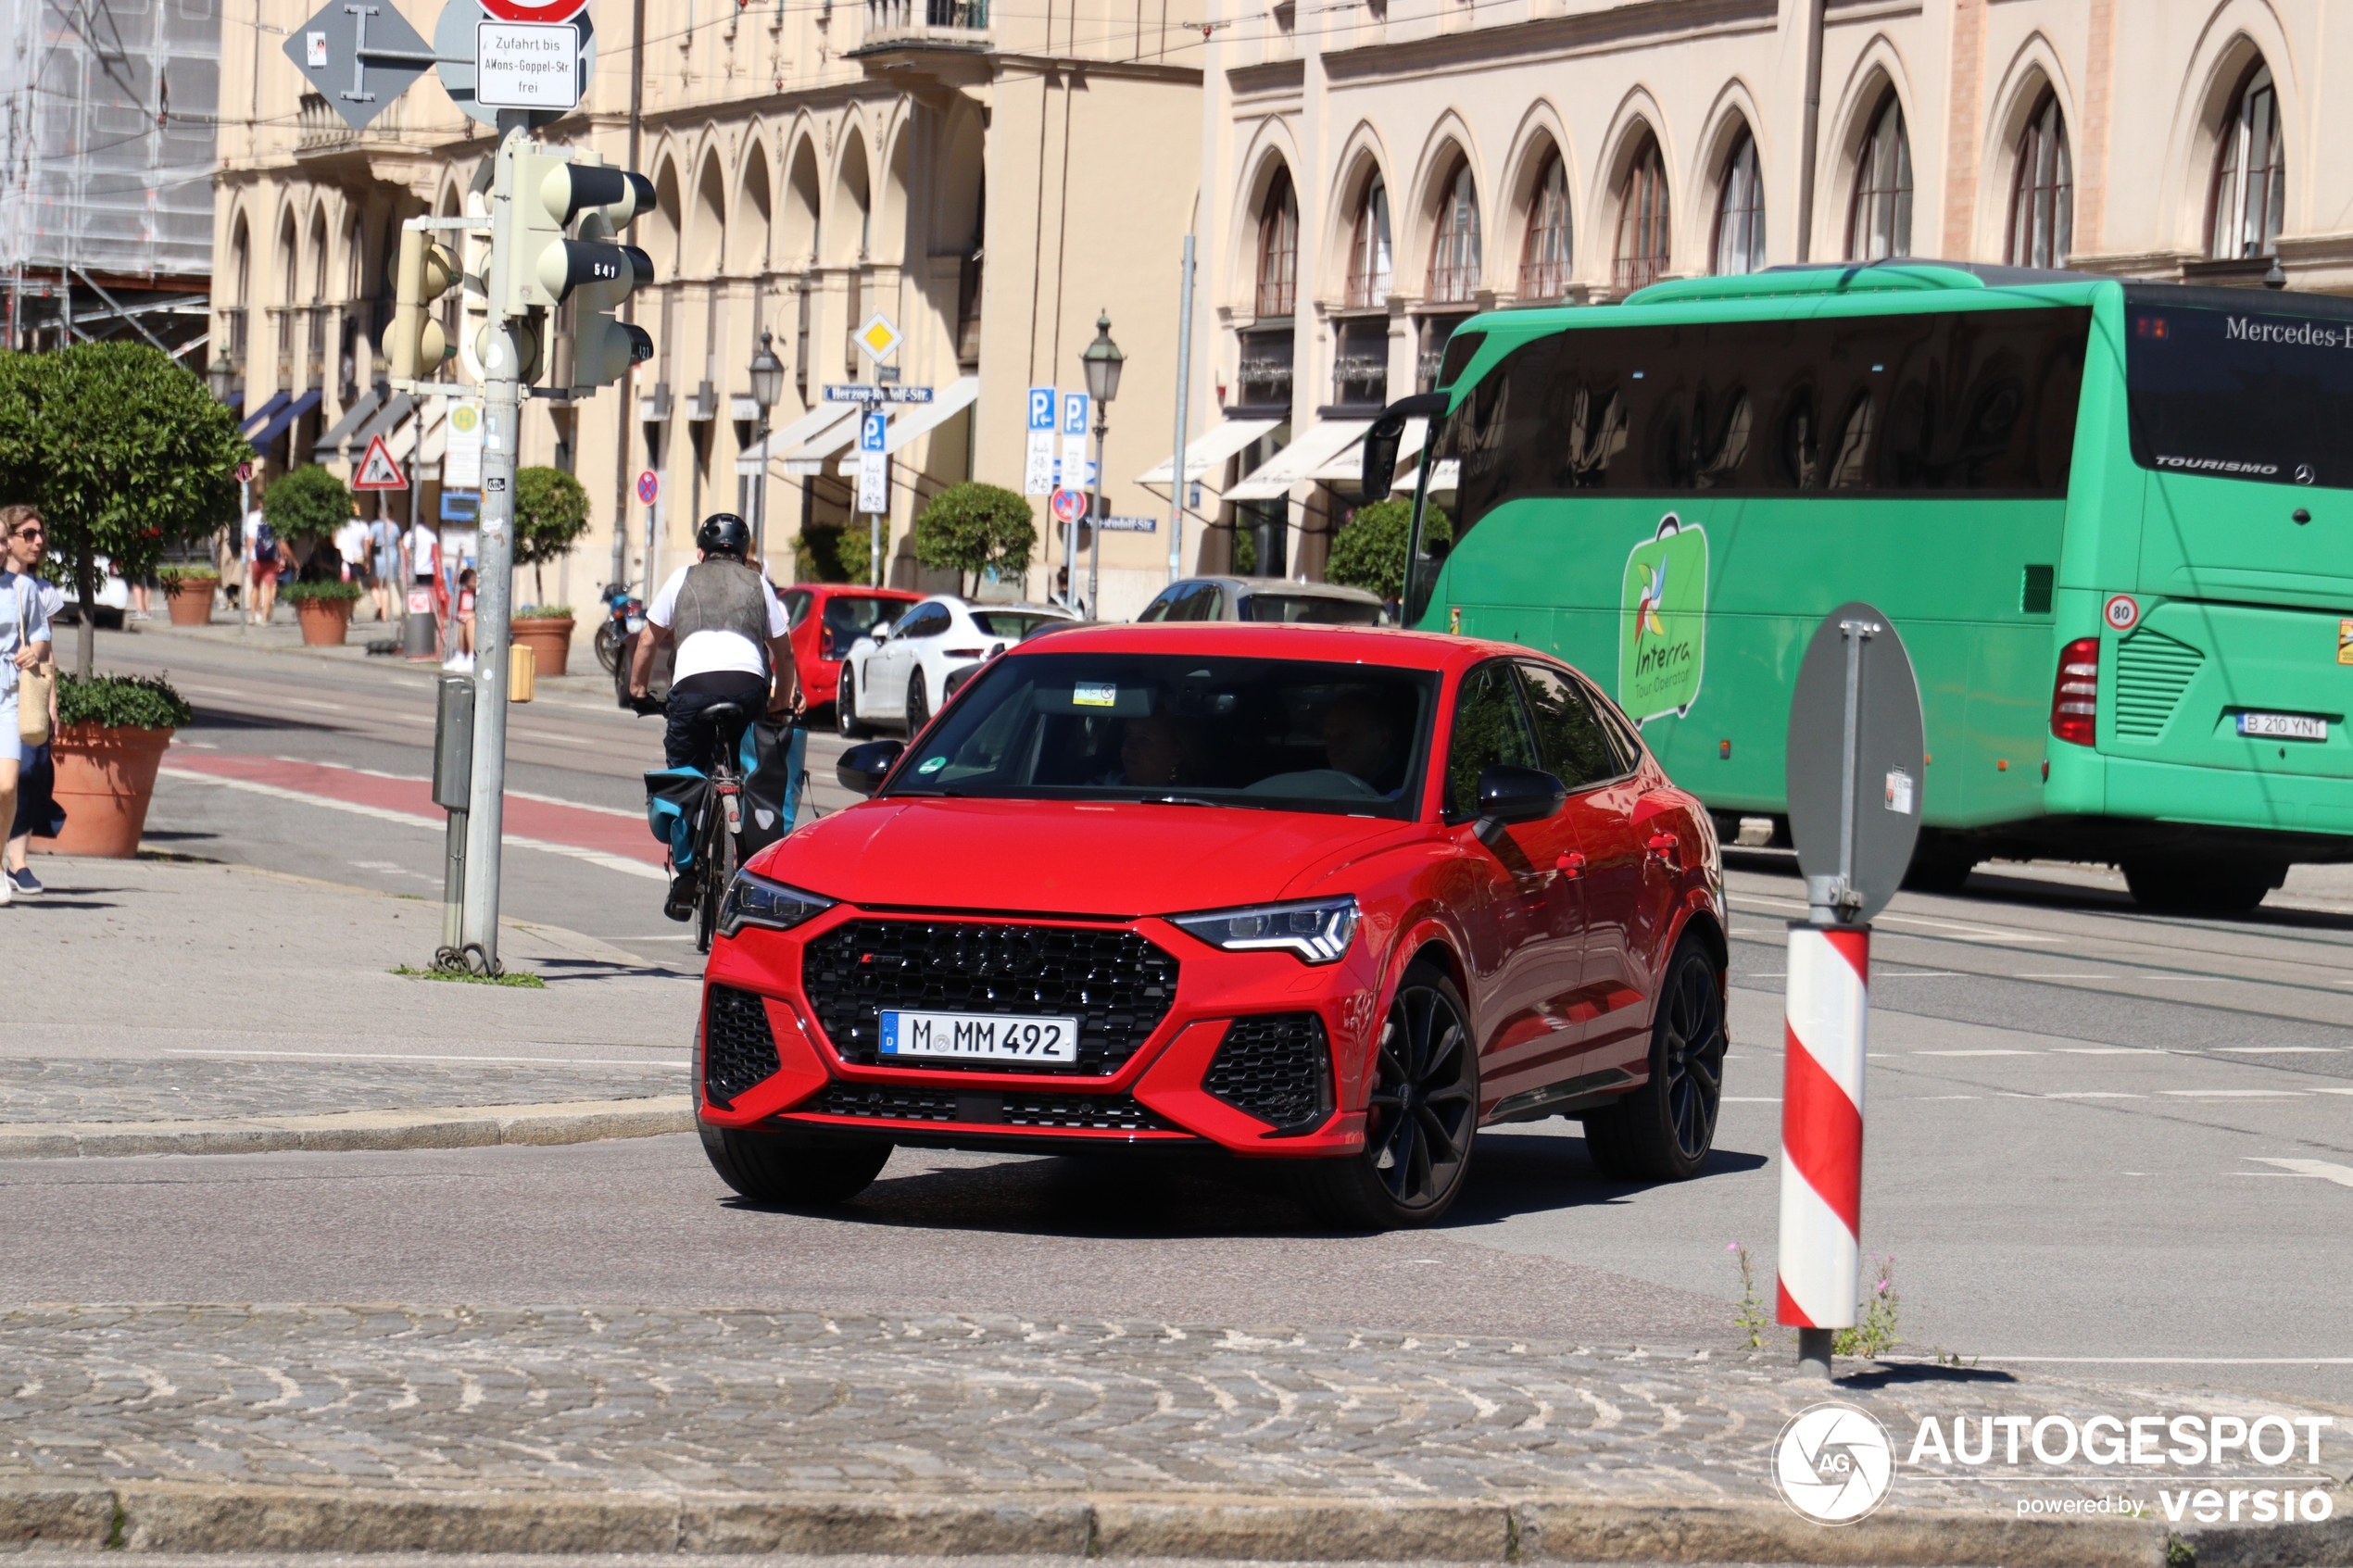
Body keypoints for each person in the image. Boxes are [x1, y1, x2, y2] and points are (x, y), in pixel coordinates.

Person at [631, 512, 800, 920]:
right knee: (752, 770)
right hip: (747, 689)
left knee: (684, 778)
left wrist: (638, 690)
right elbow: (784, 654)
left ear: (700, 552)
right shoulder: (760, 584)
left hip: (692, 690)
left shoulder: (681, 578)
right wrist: (781, 701)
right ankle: (752, 861)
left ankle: (686, 873)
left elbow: (648, 640)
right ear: (744, 555)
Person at [1, 507, 61, 897]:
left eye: (0, 539)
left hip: (8, 697)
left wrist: (31, 652)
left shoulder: (23, 589)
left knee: (7, 787)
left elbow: (42, 638)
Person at [249, 512, 290, 625]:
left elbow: (250, 541)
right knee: (268, 588)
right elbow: (280, 543)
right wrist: (282, 558)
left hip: (256, 559)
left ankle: (252, 616)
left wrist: (248, 560)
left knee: (256, 587)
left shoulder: (253, 520)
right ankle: (264, 618)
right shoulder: (277, 521)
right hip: (271, 561)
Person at [367, 514, 400, 621]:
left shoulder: (375, 525)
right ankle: (384, 615)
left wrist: (367, 558)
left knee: (374, 586)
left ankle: (380, 608)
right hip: (392, 556)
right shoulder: (395, 527)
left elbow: (370, 542)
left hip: (379, 557)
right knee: (386, 587)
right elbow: (399, 543)